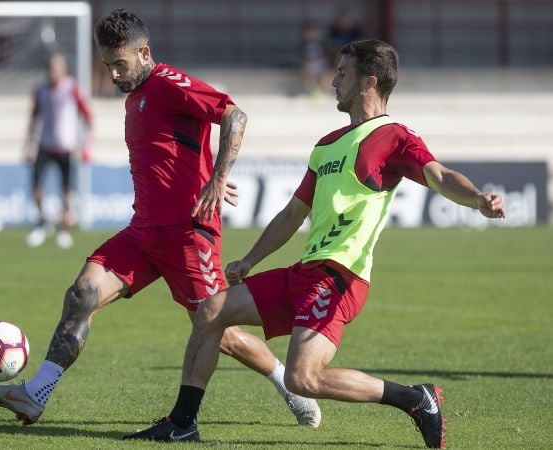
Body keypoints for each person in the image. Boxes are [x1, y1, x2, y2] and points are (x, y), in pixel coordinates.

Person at [123, 39, 506, 448]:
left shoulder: (393, 136)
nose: (333, 81)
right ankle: (183, 423)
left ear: (368, 82)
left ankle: (416, 399)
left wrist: (477, 198)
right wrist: (250, 259)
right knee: (211, 309)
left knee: (302, 379)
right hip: (306, 271)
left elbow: (439, 175)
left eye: (343, 73)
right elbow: (293, 213)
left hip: (341, 278)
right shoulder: (326, 146)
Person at [0, 9, 321, 429]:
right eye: (108, 66)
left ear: (144, 53)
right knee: (82, 294)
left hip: (187, 236)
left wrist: (218, 177)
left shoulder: (169, 83)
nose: (114, 75)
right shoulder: (134, 97)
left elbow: (235, 115)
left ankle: (286, 383)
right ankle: (36, 395)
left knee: (222, 331)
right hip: (142, 234)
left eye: (119, 65)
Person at [24, 53, 93, 249]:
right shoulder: (41, 90)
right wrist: (28, 144)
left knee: (67, 193)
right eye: (50, 68)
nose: (52, 72)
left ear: (63, 70)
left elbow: (88, 116)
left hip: (66, 148)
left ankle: (64, 230)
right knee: (36, 187)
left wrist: (86, 145)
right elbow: (34, 117)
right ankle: (42, 223)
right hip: (44, 146)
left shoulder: (72, 88)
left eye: (56, 68)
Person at [298, 19, 329, 96]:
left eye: (312, 32)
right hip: (308, 65)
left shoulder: (321, 44)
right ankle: (308, 91)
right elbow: (302, 57)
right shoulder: (303, 45)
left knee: (325, 74)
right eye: (308, 32)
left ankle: (322, 91)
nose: (310, 34)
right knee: (305, 73)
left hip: (320, 64)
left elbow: (325, 55)